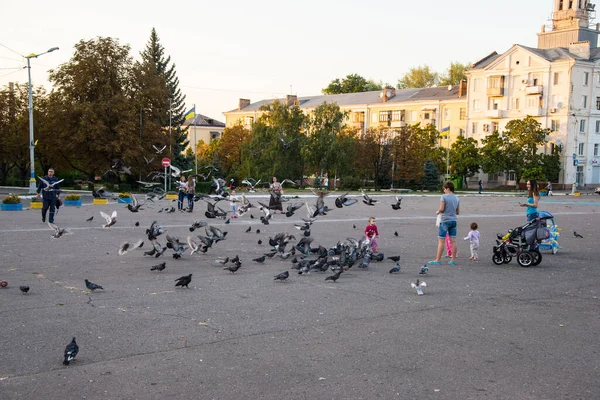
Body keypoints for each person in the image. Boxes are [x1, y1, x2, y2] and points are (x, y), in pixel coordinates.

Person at [429, 181, 460, 265]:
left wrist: (438, 211)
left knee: (441, 241)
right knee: (453, 241)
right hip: (454, 220)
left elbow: (442, 209)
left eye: (444, 189)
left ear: (448, 188)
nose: (444, 191)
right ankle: (453, 260)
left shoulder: (444, 197)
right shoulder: (457, 198)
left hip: (445, 221)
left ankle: (437, 260)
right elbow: (458, 212)